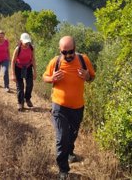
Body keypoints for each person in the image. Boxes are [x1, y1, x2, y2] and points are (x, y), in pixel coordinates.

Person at [43, 35, 95, 180]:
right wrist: (52, 78)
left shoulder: (83, 60)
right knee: (61, 137)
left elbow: (92, 77)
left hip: (78, 107)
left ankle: (70, 152)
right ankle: (63, 169)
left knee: (72, 135)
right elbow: (44, 77)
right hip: (59, 106)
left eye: (70, 52)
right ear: (60, 51)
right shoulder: (56, 61)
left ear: (75, 49)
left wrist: (87, 76)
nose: (67, 55)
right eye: (64, 52)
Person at [11, 32, 36, 111]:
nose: (26, 44)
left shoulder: (31, 48)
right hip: (18, 68)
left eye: (28, 42)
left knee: (30, 84)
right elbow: (13, 61)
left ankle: (27, 99)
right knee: (20, 86)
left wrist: (35, 71)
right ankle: (20, 102)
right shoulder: (18, 49)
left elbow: (33, 59)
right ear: (21, 41)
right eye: (25, 42)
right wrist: (13, 74)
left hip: (28, 67)